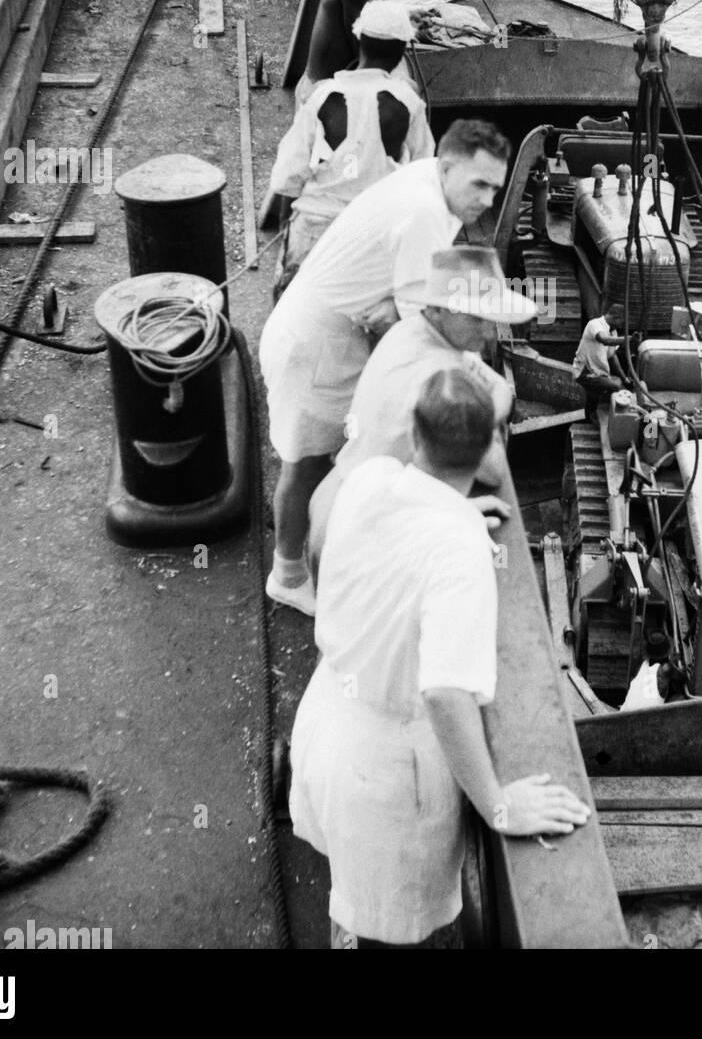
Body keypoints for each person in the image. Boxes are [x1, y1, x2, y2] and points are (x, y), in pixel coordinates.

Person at [289, 368, 591, 947]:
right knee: (394, 929)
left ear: (413, 430)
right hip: (389, 780)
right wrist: (499, 807)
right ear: (486, 453)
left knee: (353, 886)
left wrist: (452, 514)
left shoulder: (371, 479)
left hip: (328, 720)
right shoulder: (459, 557)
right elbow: (446, 694)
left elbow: (344, 541)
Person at [259, 119, 512, 612]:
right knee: (304, 464)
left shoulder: (429, 183)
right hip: (315, 349)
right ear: (447, 167)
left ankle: (316, 555)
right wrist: (489, 390)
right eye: (478, 184)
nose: (487, 199)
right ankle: (287, 576)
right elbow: (436, 328)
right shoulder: (423, 213)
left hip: (335, 336)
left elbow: (424, 314)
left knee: (326, 461)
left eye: (495, 188)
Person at [305, 245, 537, 572]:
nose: (489, 332)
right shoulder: (436, 374)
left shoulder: (411, 330)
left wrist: (495, 395)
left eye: (492, 318)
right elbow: (492, 467)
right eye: (475, 318)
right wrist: (495, 409)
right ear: (438, 310)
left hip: (342, 497)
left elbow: (490, 379)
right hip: (358, 531)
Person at [267, 0, 433, 298]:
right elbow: (422, 173)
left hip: (316, 226)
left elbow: (289, 175)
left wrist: (286, 231)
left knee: (295, 304)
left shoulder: (322, 97)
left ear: (359, 43)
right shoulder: (409, 103)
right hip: (373, 232)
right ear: (400, 51)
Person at [573, 303, 628, 416]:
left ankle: (596, 414)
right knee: (617, 388)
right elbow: (604, 340)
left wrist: (625, 378)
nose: (621, 325)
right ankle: (614, 419)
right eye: (621, 322)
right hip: (585, 373)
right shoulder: (595, 324)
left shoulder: (613, 332)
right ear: (615, 317)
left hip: (598, 373)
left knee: (619, 383)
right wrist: (627, 339)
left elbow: (612, 356)